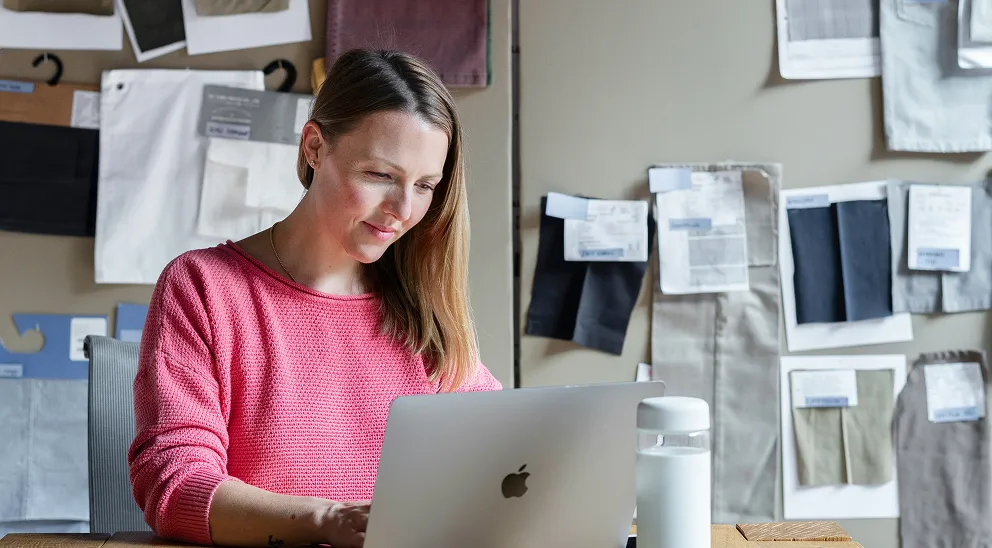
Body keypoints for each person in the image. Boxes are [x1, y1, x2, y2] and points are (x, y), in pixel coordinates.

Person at [127, 48, 503, 548]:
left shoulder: (421, 311)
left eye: (425, 185)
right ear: (314, 147)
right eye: (380, 176)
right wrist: (326, 519)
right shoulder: (203, 287)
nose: (403, 209)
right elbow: (174, 486)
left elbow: (505, 450)